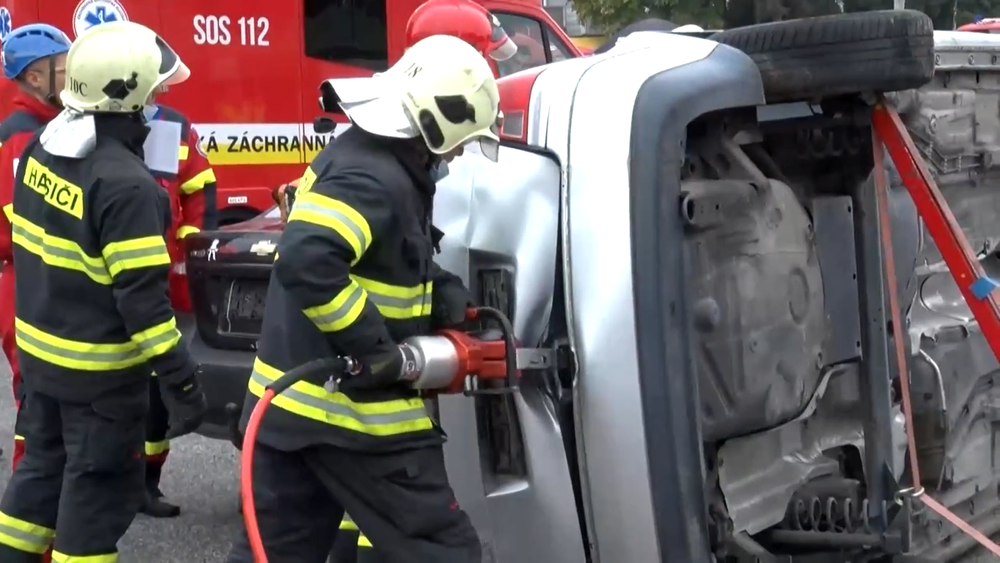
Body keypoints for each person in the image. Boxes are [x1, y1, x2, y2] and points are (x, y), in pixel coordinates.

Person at [227, 34, 501, 563]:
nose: (462, 150)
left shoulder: (364, 157)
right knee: (445, 552)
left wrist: (439, 288)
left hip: (289, 411)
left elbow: (364, 250)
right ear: (435, 123)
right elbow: (308, 259)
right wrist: (376, 350)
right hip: (353, 415)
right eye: (462, 139)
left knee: (279, 553)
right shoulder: (374, 177)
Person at [0, 20, 208, 561]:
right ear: (128, 94)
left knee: (39, 479)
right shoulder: (127, 185)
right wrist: (180, 380)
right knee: (95, 498)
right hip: (100, 381)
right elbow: (143, 302)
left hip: (44, 365)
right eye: (154, 88)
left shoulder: (45, 150)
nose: (161, 97)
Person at [140, 82, 219, 519]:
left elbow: (198, 186)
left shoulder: (169, 124)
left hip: (156, 274)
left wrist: (188, 245)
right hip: (105, 280)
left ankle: (145, 482)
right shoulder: (86, 127)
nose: (162, 89)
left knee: (155, 382)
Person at [0, 23, 73, 475]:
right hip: (26, 283)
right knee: (38, 403)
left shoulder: (45, 128)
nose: (72, 78)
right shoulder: (23, 135)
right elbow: (20, 218)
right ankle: (32, 506)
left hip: (32, 280)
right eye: (64, 70)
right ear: (34, 78)